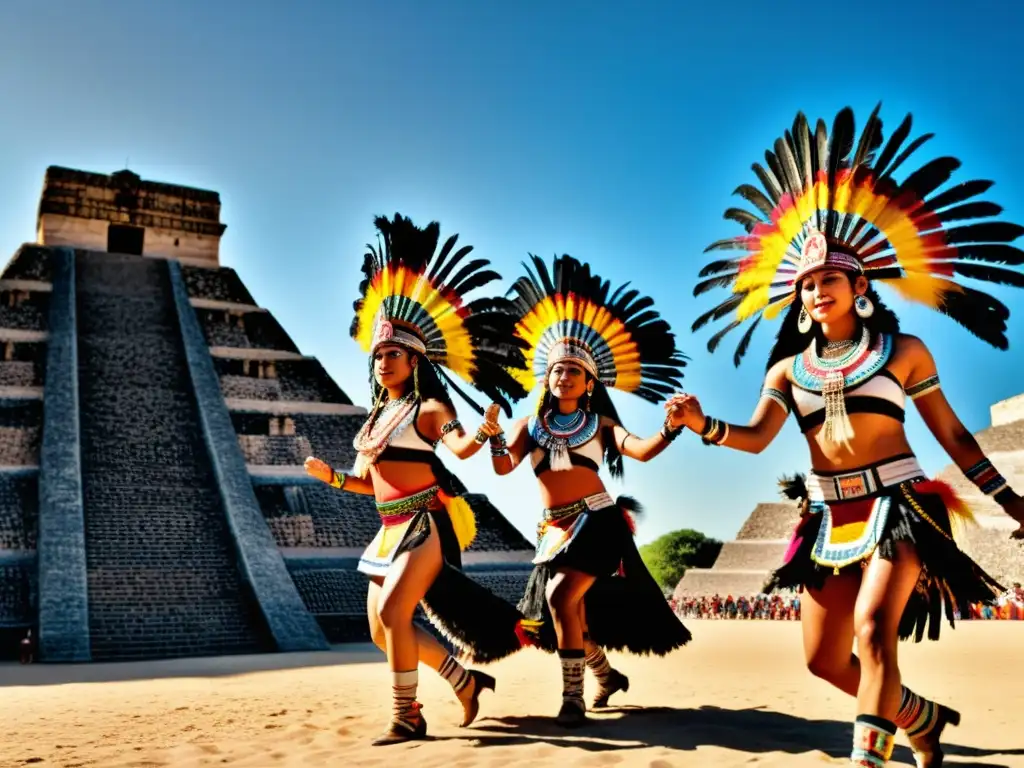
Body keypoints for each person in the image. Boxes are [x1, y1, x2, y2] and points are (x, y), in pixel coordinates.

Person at [678, 105, 1024, 767]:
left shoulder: (905, 352)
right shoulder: (787, 369)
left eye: (828, 280)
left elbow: (952, 434)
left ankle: (870, 760)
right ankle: (921, 718)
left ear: (859, 285)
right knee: (821, 659)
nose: (816, 292)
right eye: (806, 285)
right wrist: (704, 427)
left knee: (872, 636)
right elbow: (756, 438)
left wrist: (1010, 501)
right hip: (825, 518)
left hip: (900, 508)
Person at [304, 214, 532, 745]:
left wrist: (485, 432)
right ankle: (464, 679)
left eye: (394, 354)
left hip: (424, 524)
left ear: (414, 359)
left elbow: (460, 448)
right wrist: (332, 478)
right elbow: (369, 483)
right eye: (379, 354)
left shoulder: (429, 408)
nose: (384, 361)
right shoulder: (375, 417)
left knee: (393, 611)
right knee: (381, 631)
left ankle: (407, 716)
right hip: (386, 529)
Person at [486, 254, 692, 727]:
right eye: (558, 370)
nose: (564, 377)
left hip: (598, 522)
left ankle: (572, 699)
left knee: (560, 600)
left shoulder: (600, 424)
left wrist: (670, 426)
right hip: (553, 530)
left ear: (589, 380)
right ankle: (606, 675)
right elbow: (501, 468)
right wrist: (493, 433)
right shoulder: (528, 426)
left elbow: (639, 451)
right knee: (563, 614)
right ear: (548, 377)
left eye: (573, 372)